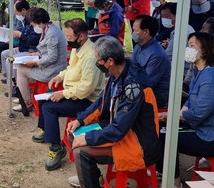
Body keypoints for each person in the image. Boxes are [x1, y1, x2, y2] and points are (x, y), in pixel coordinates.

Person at [66, 36, 161, 188]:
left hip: (138, 142)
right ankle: (91, 177)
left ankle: (88, 178)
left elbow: (119, 129)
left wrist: (88, 138)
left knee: (81, 152)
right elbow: (100, 103)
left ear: (110, 61)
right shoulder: (118, 72)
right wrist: (80, 120)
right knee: (74, 133)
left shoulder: (134, 86)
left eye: (98, 60)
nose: (97, 63)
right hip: (120, 129)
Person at [159, 32, 214, 188]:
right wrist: (174, 116)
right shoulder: (200, 71)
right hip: (203, 128)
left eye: (191, 46)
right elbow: (189, 102)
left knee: (163, 136)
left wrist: (172, 115)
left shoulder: (213, 76)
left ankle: (173, 182)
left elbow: (198, 114)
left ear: (206, 50)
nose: (187, 49)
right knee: (161, 129)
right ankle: (169, 175)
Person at [32, 18, 104, 172]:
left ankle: (56, 148)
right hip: (75, 93)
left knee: (50, 107)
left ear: (81, 36)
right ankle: (46, 130)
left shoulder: (91, 56)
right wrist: (60, 76)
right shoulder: (78, 49)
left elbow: (87, 88)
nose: (67, 41)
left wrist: (63, 94)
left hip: (88, 101)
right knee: (45, 98)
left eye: (69, 38)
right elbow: (71, 69)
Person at [15, 8, 67, 111]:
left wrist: (36, 62)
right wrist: (37, 54)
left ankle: (26, 103)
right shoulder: (49, 29)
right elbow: (49, 51)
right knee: (21, 67)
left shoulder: (52, 33)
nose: (33, 27)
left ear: (40, 22)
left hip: (53, 70)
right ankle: (24, 96)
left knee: (21, 70)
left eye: (34, 24)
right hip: (51, 66)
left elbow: (52, 57)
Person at [0, 0, 41, 84]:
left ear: (23, 10)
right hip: (22, 47)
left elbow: (33, 40)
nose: (16, 15)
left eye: (17, 13)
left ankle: (14, 83)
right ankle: (8, 76)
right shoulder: (24, 20)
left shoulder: (33, 21)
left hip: (30, 50)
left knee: (10, 60)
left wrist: (20, 35)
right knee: (4, 54)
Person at [159, 2, 195, 80]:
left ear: (178, 16)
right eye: (162, 17)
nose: (164, 20)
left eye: (167, 17)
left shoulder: (181, 33)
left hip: (181, 74)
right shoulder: (183, 29)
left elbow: (167, 58)